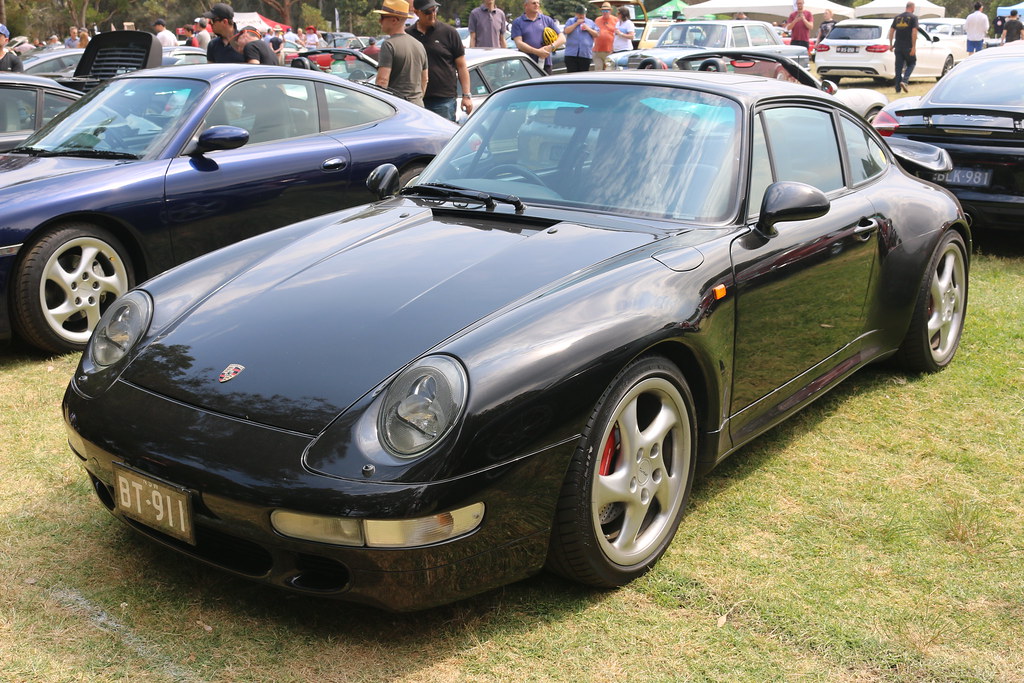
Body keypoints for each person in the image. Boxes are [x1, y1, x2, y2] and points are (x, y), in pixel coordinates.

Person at [407, 0, 472, 121]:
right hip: (415, 100)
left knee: (444, 138)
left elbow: (462, 66)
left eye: (434, 10)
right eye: (427, 12)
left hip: (443, 100)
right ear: (416, 12)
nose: (432, 14)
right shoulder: (408, 35)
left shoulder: (449, 33)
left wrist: (466, 95)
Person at [374, 0, 429, 107]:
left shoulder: (388, 45)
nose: (380, 21)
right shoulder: (419, 45)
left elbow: (382, 81)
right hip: (418, 107)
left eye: (382, 17)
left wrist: (379, 108)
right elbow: (425, 79)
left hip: (398, 108)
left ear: (394, 20)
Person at [511, 0, 564, 75]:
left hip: (546, 63)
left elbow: (562, 38)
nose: (537, 5)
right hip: (526, 64)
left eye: (538, 3)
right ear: (526, 5)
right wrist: (537, 52)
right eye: (533, 3)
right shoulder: (518, 22)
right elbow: (519, 43)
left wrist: (551, 47)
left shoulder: (547, 19)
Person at [889, 2, 917, 93]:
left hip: (898, 47)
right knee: (912, 63)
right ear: (912, 8)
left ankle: (898, 89)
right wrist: (913, 47)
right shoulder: (913, 17)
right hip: (908, 46)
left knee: (898, 67)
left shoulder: (897, 17)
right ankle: (904, 81)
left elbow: (892, 31)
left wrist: (891, 44)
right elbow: (914, 32)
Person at [563, 5, 597, 72]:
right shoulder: (570, 21)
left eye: (583, 14)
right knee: (571, 74)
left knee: (583, 75)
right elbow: (566, 31)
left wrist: (588, 29)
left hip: (585, 54)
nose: (581, 16)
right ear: (576, 14)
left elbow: (596, 34)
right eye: (579, 14)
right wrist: (576, 24)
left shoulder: (590, 22)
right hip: (571, 54)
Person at [593, 1, 617, 70]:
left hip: (609, 51)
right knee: (598, 70)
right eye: (603, 10)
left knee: (609, 70)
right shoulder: (597, 20)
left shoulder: (615, 20)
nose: (605, 12)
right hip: (597, 51)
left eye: (607, 10)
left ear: (610, 11)